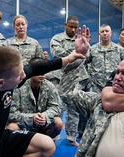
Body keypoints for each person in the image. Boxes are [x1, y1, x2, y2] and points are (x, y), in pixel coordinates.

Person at [0, 25, 89, 157]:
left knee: (46, 145)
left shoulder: (8, 77)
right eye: (19, 75)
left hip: (0, 139)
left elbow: (37, 67)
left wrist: (72, 56)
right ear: (1, 82)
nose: (24, 76)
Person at [50, 16, 89, 146]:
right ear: (65, 24)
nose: (73, 29)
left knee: (74, 109)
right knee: (57, 108)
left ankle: (72, 138)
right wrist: (76, 53)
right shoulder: (57, 39)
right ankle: (53, 136)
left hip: (77, 79)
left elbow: (85, 57)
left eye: (75, 27)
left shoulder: (82, 40)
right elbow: (59, 55)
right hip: (59, 78)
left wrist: (76, 54)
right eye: (70, 26)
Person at [7, 57, 63, 140]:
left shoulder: (49, 86)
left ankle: (46, 143)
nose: (42, 73)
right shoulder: (18, 87)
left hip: (43, 124)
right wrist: (32, 118)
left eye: (44, 70)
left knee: (58, 122)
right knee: (12, 127)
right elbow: (11, 114)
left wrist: (45, 116)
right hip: (25, 125)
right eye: (39, 70)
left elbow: (56, 107)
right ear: (31, 71)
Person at [85, 24, 124, 93]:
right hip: (97, 87)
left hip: (114, 85)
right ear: (99, 34)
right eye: (102, 31)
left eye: (107, 31)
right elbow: (83, 62)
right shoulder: (93, 49)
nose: (105, 33)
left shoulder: (118, 49)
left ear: (111, 33)